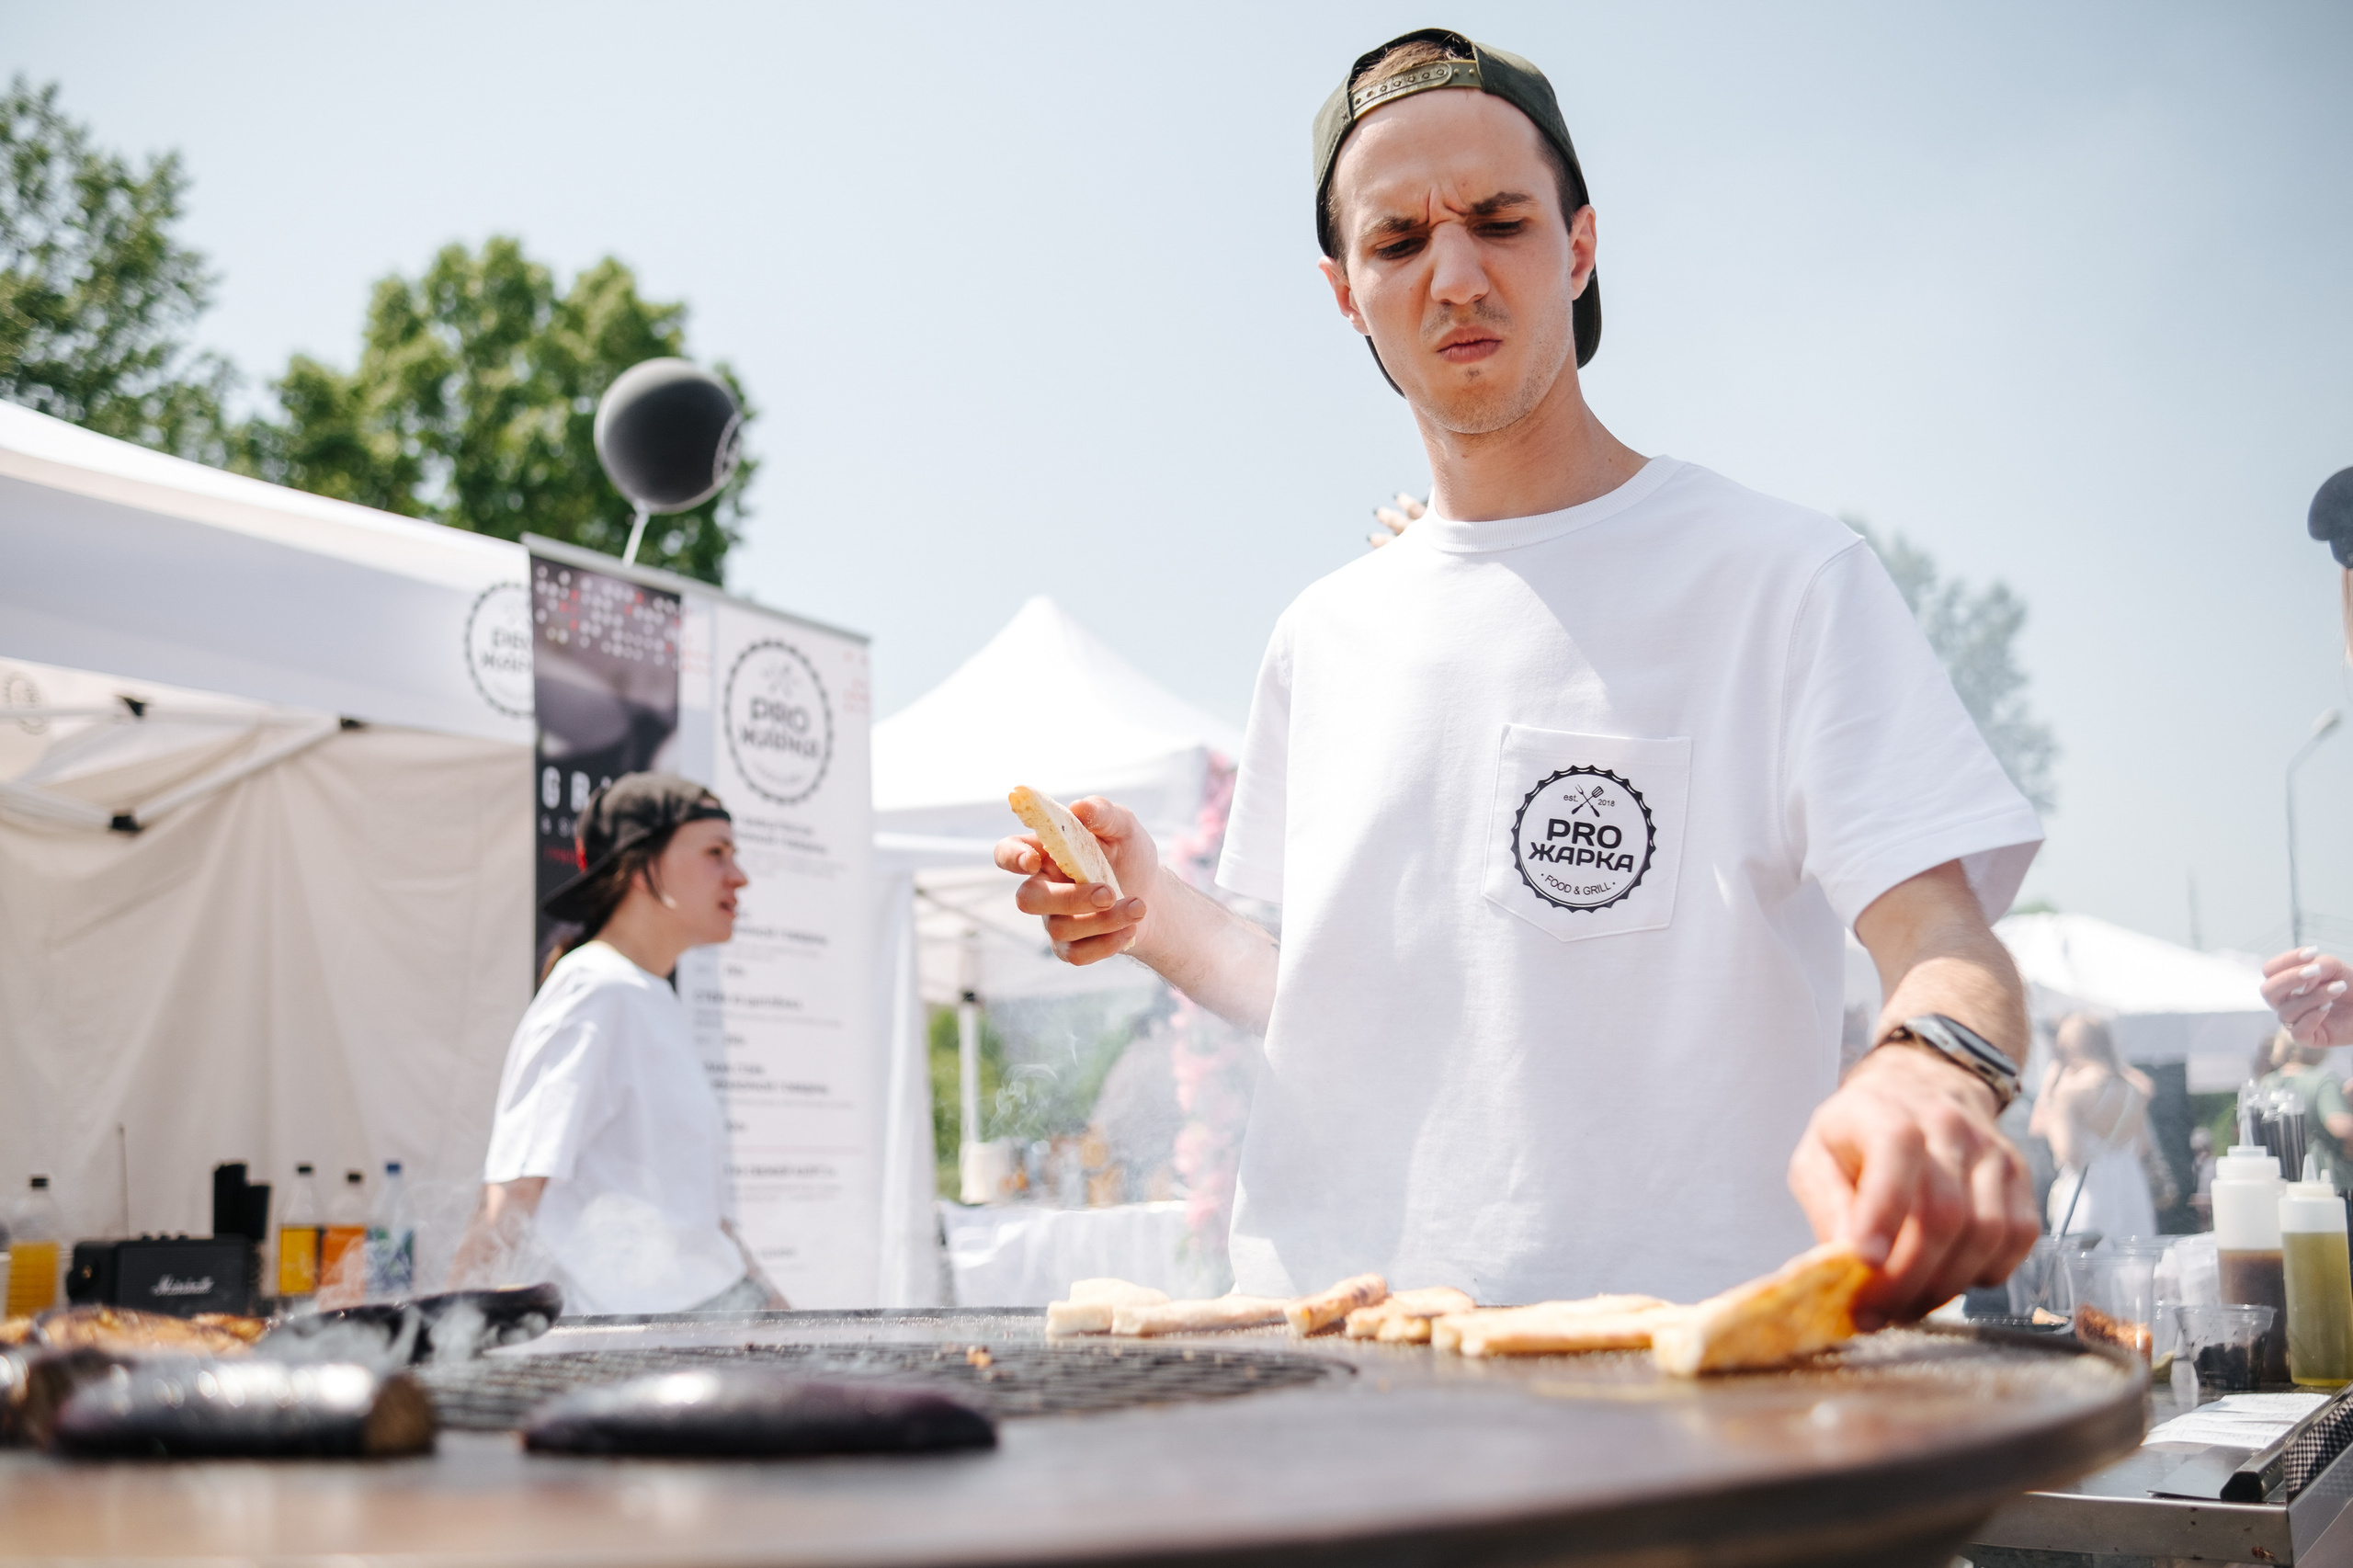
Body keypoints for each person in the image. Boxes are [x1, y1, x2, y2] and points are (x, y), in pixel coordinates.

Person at [996, 28, 2042, 1323]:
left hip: (1675, 1393)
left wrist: (1923, 1076)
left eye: (1499, 220)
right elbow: (1313, 996)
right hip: (1326, 1367)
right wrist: (1151, 905)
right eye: (1397, 243)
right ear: (1344, 293)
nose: (1454, 276)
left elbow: (1946, 942)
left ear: (1579, 245)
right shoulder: (1321, 632)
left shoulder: (1782, 579)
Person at [450, 773, 785, 1314]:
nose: (739, 877)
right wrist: (449, 1350)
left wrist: (783, 1316)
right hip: (633, 1349)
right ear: (638, 868)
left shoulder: (647, 995)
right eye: (716, 853)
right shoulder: (593, 990)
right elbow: (513, 1192)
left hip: (706, 1325)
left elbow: (701, 1218)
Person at [2028, 1014, 2156, 1240]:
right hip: (2131, 1186)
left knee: (2083, 1267)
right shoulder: (2134, 1090)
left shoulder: (2070, 1092)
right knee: (2134, 1264)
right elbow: (2143, 1146)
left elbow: (2069, 1153)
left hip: (2088, 1192)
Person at [2257, 1028, 2353, 1190]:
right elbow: (2342, 1128)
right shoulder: (2322, 1080)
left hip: (2280, 1183)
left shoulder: (2266, 1084)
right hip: (2327, 1186)